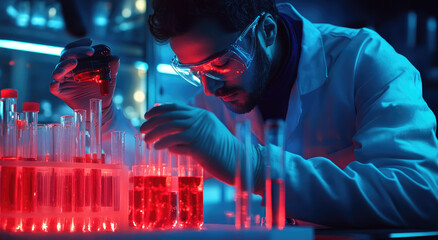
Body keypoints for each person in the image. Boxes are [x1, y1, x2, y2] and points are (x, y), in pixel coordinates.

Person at [51, 0, 438, 228]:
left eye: (220, 64)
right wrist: (99, 114)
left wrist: (247, 163)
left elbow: (419, 192)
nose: (209, 89)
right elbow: (155, 172)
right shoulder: (223, 89)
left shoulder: (366, 61)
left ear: (266, 31)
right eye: (195, 72)